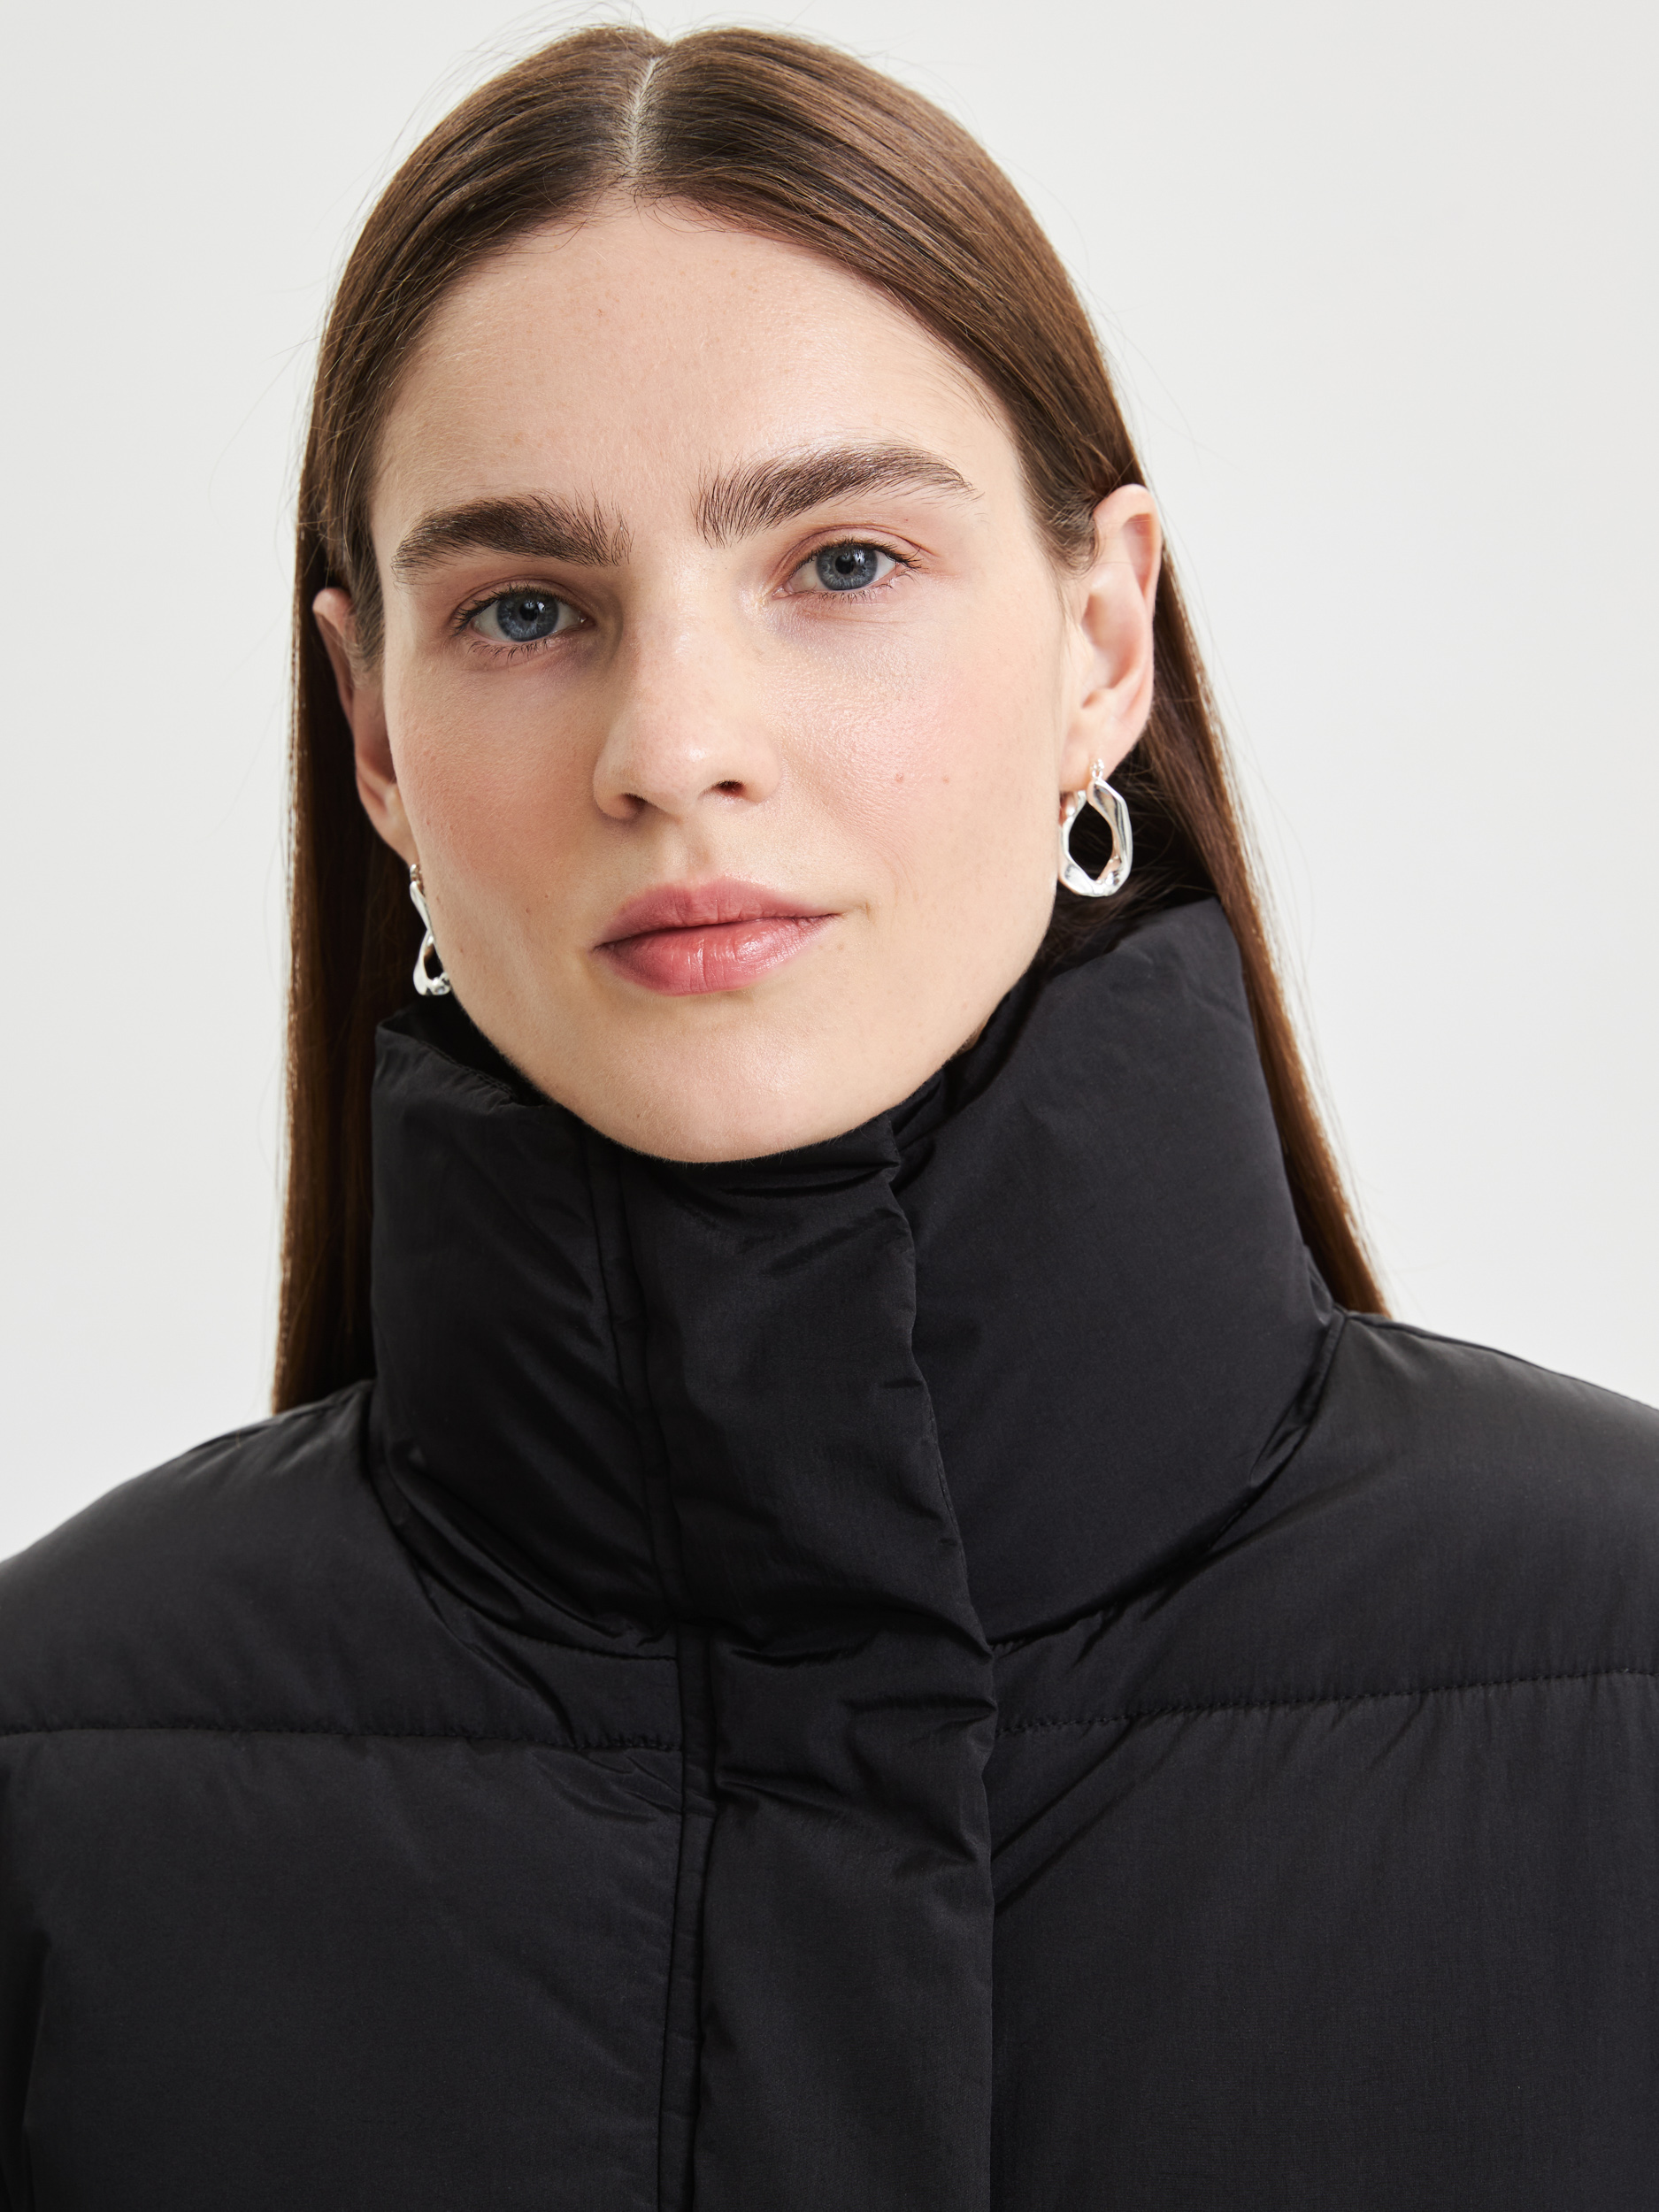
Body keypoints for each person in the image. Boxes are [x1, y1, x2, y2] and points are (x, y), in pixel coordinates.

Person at [2, 23, 1655, 2208]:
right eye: (524, 609)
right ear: (375, 735)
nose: (672, 743)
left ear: (1101, 635)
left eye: (842, 563)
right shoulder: (47, 1777)